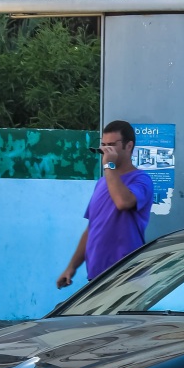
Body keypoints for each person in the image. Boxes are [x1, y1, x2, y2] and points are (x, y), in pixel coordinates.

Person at [57, 120, 154, 287]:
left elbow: (123, 202)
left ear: (128, 146)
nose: (105, 151)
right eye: (103, 145)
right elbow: (91, 229)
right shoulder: (102, 182)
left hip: (127, 274)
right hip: (97, 274)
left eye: (111, 145)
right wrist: (71, 267)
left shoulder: (141, 180)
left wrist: (109, 166)